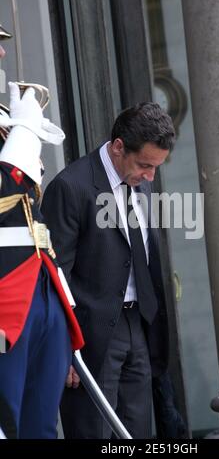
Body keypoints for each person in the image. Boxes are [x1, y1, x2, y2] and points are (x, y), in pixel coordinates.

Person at [42, 102, 181, 439]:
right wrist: (65, 349)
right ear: (119, 147)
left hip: (140, 328)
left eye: (156, 167)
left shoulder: (143, 183)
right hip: (90, 336)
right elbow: (53, 275)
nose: (150, 176)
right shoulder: (70, 187)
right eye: (145, 165)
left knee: (136, 434)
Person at [0, 25, 84, 439]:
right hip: (4, 294)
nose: (1, 56)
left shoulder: (5, 121)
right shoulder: (14, 127)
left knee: (41, 425)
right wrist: (24, 132)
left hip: (38, 284)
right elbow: (6, 187)